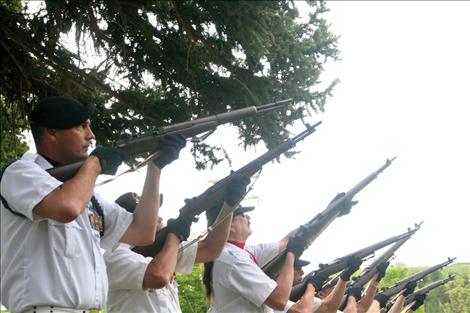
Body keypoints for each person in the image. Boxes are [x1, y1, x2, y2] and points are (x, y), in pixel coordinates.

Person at [0, 96, 185, 313]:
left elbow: (143, 232)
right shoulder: (20, 171)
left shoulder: (87, 195)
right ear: (51, 133)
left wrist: (155, 168)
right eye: (81, 126)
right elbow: (67, 207)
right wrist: (95, 163)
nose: (91, 135)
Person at [104, 173, 250, 312]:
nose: (159, 218)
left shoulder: (163, 248)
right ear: (129, 219)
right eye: (151, 213)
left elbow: (210, 249)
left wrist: (228, 206)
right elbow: (158, 276)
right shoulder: (114, 255)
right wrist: (175, 235)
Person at [202, 204, 315, 313]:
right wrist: (291, 256)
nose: (248, 217)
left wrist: (316, 221)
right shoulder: (233, 258)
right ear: (230, 225)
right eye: (242, 214)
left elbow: (285, 242)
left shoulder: (243, 251)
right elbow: (279, 300)